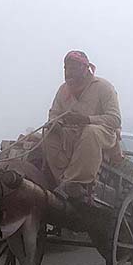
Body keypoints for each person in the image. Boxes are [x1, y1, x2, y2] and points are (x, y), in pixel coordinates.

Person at [44, 50, 122, 199]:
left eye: (73, 68)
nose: (68, 73)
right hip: (69, 134)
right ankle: (60, 179)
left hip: (102, 133)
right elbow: (53, 114)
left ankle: (75, 181)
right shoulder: (63, 90)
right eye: (66, 68)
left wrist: (87, 119)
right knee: (49, 133)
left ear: (85, 69)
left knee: (90, 132)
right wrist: (56, 124)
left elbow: (115, 119)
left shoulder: (104, 87)